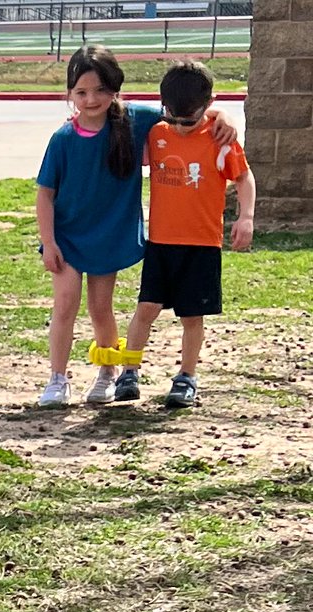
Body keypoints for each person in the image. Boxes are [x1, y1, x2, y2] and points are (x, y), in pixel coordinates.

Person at [35, 45, 235, 408]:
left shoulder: (135, 120)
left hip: (108, 236)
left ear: (115, 88)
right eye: (81, 92)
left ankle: (109, 371)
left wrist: (220, 116)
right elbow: (45, 193)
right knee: (64, 304)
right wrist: (48, 241)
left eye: (100, 90)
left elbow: (185, 111)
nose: (91, 99)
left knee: (100, 307)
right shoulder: (62, 139)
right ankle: (57, 378)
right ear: (70, 94)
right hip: (67, 238)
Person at [113, 60, 254, 409]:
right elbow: (120, 113)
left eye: (188, 120)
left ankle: (186, 376)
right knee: (145, 308)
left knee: (192, 316)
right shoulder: (157, 133)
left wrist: (246, 216)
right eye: (172, 117)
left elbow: (243, 178)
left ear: (207, 105)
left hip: (201, 244)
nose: (179, 126)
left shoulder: (220, 141)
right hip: (161, 242)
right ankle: (129, 371)